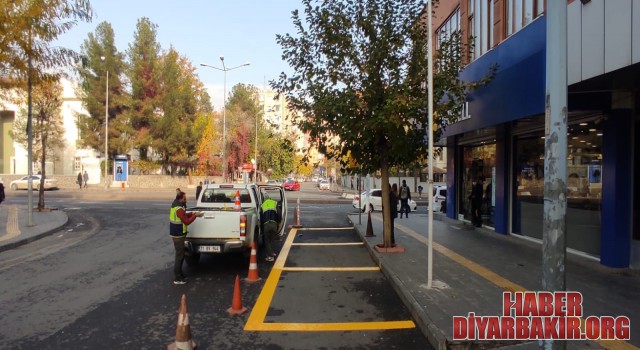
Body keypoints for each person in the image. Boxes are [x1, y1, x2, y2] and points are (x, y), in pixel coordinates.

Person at [169, 191, 203, 284]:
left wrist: (191, 213)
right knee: (179, 256)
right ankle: (177, 278)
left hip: (178, 233)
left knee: (181, 254)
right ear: (181, 198)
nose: (186, 199)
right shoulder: (179, 208)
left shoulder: (177, 205)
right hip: (178, 234)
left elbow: (183, 216)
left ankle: (180, 274)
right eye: (185, 198)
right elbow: (186, 221)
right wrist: (195, 216)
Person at [261, 193, 281, 262]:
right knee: (272, 240)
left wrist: (261, 227)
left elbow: (261, 217)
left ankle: (270, 256)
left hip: (266, 224)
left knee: (267, 241)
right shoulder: (275, 203)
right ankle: (272, 252)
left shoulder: (263, 205)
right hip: (274, 224)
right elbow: (279, 214)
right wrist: (278, 222)